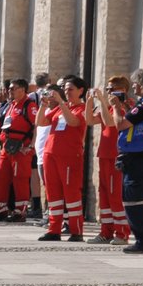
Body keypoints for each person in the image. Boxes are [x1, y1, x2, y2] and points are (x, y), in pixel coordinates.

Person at [97, 67, 143, 253]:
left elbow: (120, 124)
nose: (133, 86)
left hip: (140, 156)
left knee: (135, 200)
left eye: (135, 82)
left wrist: (117, 107)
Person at [34, 75, 89, 241]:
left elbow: (73, 122)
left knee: (71, 194)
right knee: (53, 193)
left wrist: (62, 103)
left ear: (81, 91)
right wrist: (43, 106)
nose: (67, 92)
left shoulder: (82, 108)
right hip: (50, 155)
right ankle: (54, 229)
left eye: (70, 89)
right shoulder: (59, 108)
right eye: (65, 89)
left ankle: (76, 230)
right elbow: (41, 122)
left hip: (69, 157)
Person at [0, 79, 39, 222]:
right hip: (7, 147)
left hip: (21, 149)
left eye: (12, 89)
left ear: (22, 90)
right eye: (9, 89)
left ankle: (20, 212)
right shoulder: (11, 105)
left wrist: (30, 146)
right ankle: (0, 210)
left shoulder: (29, 105)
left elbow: (37, 126)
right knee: (1, 179)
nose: (9, 91)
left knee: (20, 180)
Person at [89, 81, 130, 244]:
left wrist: (106, 103)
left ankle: (122, 233)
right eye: (107, 89)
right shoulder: (109, 107)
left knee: (115, 195)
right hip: (104, 155)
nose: (109, 92)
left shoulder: (126, 106)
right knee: (104, 195)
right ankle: (106, 232)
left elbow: (109, 122)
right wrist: (91, 102)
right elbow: (89, 121)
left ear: (123, 90)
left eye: (112, 89)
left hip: (116, 155)